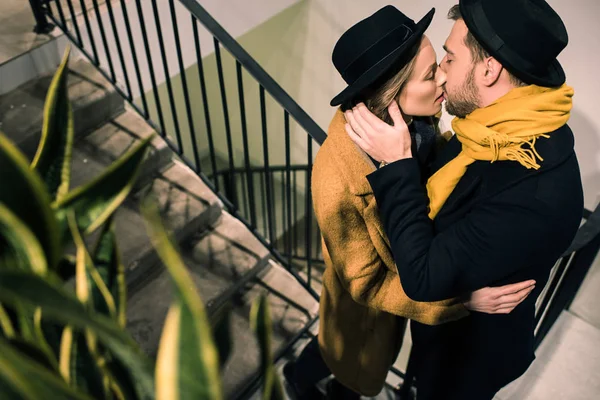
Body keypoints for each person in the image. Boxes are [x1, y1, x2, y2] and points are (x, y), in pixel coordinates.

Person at [283, 6, 537, 399]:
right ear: (390, 95)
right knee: (349, 361)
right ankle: (300, 380)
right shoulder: (337, 178)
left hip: (402, 295)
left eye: (440, 63)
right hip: (363, 309)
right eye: (430, 73)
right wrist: (462, 303)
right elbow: (366, 283)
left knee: (354, 360)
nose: (444, 78)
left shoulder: (417, 125)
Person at [345, 1, 584, 399]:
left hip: (468, 360)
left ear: (489, 70)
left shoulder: (533, 195)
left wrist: (398, 163)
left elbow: (422, 278)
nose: (441, 72)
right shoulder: (502, 127)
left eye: (450, 58)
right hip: (444, 333)